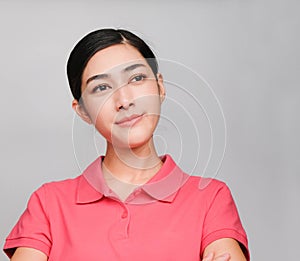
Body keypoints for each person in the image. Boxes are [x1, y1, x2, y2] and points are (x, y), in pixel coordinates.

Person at [3, 28, 250, 261]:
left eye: (137, 78)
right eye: (101, 87)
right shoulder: (48, 204)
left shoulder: (210, 199)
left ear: (160, 87)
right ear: (83, 111)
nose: (124, 100)